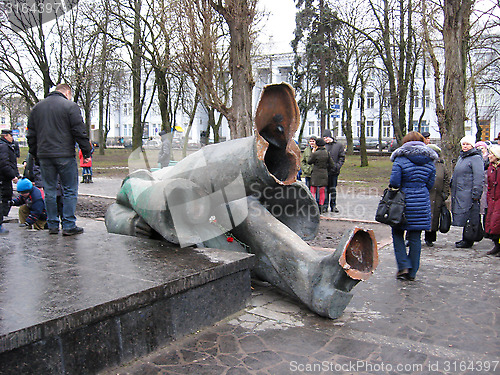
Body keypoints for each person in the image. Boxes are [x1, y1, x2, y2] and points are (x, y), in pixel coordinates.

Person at [27, 83, 92, 236]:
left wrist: (35, 154)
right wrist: (86, 151)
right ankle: (69, 225)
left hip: (44, 156)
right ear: (67, 92)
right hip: (64, 155)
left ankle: (53, 224)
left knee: (49, 190)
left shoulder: (37, 108)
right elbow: (79, 131)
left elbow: (31, 135)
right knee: (69, 189)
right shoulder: (70, 107)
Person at [389, 131, 437, 281]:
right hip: (421, 201)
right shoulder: (430, 161)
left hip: (402, 202)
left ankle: (403, 265)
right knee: (415, 237)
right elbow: (430, 184)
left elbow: (395, 182)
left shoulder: (400, 160)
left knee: (397, 233)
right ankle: (413, 272)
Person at [450, 135, 485, 248]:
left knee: (470, 216)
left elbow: (479, 177)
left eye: (467, 144)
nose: (465, 146)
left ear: (472, 145)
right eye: (463, 144)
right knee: (465, 217)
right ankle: (465, 237)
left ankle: (469, 239)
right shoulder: (462, 157)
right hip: (460, 191)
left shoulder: (475, 158)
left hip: (469, 192)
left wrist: (476, 193)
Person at [424, 144, 450, 246]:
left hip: (437, 195)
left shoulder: (441, 166)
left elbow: (447, 180)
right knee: (418, 215)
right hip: (425, 194)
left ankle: (430, 238)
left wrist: (445, 193)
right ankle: (411, 237)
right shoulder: (423, 164)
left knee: (434, 216)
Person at [307, 138, 333, 213]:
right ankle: (321, 207)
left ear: (317, 145)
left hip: (315, 174)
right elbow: (332, 164)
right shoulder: (327, 153)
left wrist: (312, 153)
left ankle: (313, 207)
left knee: (313, 190)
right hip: (324, 174)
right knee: (322, 191)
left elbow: (309, 161)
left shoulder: (315, 153)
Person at [322, 129, 345, 213]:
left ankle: (333, 205)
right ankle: (325, 206)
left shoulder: (338, 145)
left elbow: (342, 157)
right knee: (325, 189)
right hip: (324, 171)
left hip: (334, 171)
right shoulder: (323, 146)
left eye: (327, 137)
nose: (326, 139)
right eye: (324, 138)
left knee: (333, 189)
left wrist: (337, 166)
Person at [0, 129, 20, 222]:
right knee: (6, 196)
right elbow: (4, 163)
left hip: (4, 177)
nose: (12, 138)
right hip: (4, 178)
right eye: (11, 136)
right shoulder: (4, 146)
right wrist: (13, 176)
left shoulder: (6, 146)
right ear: (6, 136)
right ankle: (3, 219)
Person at [485, 145, 500, 256]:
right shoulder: (491, 168)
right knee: (492, 224)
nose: (489, 156)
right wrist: (489, 197)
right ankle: (496, 245)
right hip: (493, 200)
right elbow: (489, 185)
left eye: (491, 154)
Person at [475, 141, 489, 224]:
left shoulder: (489, 158)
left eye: (482, 148)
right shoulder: (476, 159)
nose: (480, 150)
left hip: (487, 186)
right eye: (478, 148)